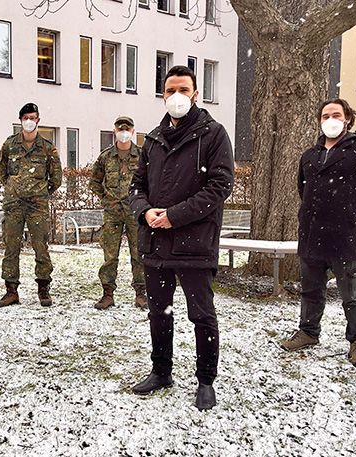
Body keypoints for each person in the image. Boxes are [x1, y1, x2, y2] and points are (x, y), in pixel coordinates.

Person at [129, 66, 234, 410]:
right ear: (163, 94)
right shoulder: (154, 138)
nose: (177, 96)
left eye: (183, 89)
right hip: (156, 243)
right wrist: (144, 211)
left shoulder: (213, 134)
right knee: (159, 313)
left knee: (201, 315)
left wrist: (174, 216)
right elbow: (137, 186)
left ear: (195, 94)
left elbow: (219, 186)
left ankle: (206, 380)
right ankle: (161, 371)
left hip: (195, 243)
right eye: (170, 89)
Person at [280, 98, 356, 367]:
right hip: (312, 234)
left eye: (336, 114)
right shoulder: (309, 156)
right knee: (311, 289)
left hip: (347, 235)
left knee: (352, 293)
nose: (331, 120)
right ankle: (308, 332)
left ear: (347, 118)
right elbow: (303, 191)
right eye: (325, 116)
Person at [0, 103, 63, 308]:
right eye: (26, 118)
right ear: (20, 120)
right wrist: (13, 188)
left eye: (32, 117)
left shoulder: (47, 147)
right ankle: (11, 290)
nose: (29, 121)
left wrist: (40, 192)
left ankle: (43, 289)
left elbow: (56, 178)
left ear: (38, 120)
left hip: (38, 206)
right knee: (11, 247)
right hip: (14, 204)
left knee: (41, 247)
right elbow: (1, 172)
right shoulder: (9, 145)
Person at [89, 116, 147, 310]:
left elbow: (151, 182)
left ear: (132, 131)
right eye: (120, 128)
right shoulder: (105, 157)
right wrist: (106, 199)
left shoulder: (142, 156)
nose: (123, 132)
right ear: (114, 130)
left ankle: (141, 293)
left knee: (138, 254)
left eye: (127, 128)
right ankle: (107, 294)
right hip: (112, 212)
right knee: (110, 255)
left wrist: (143, 202)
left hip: (135, 213)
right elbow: (94, 182)